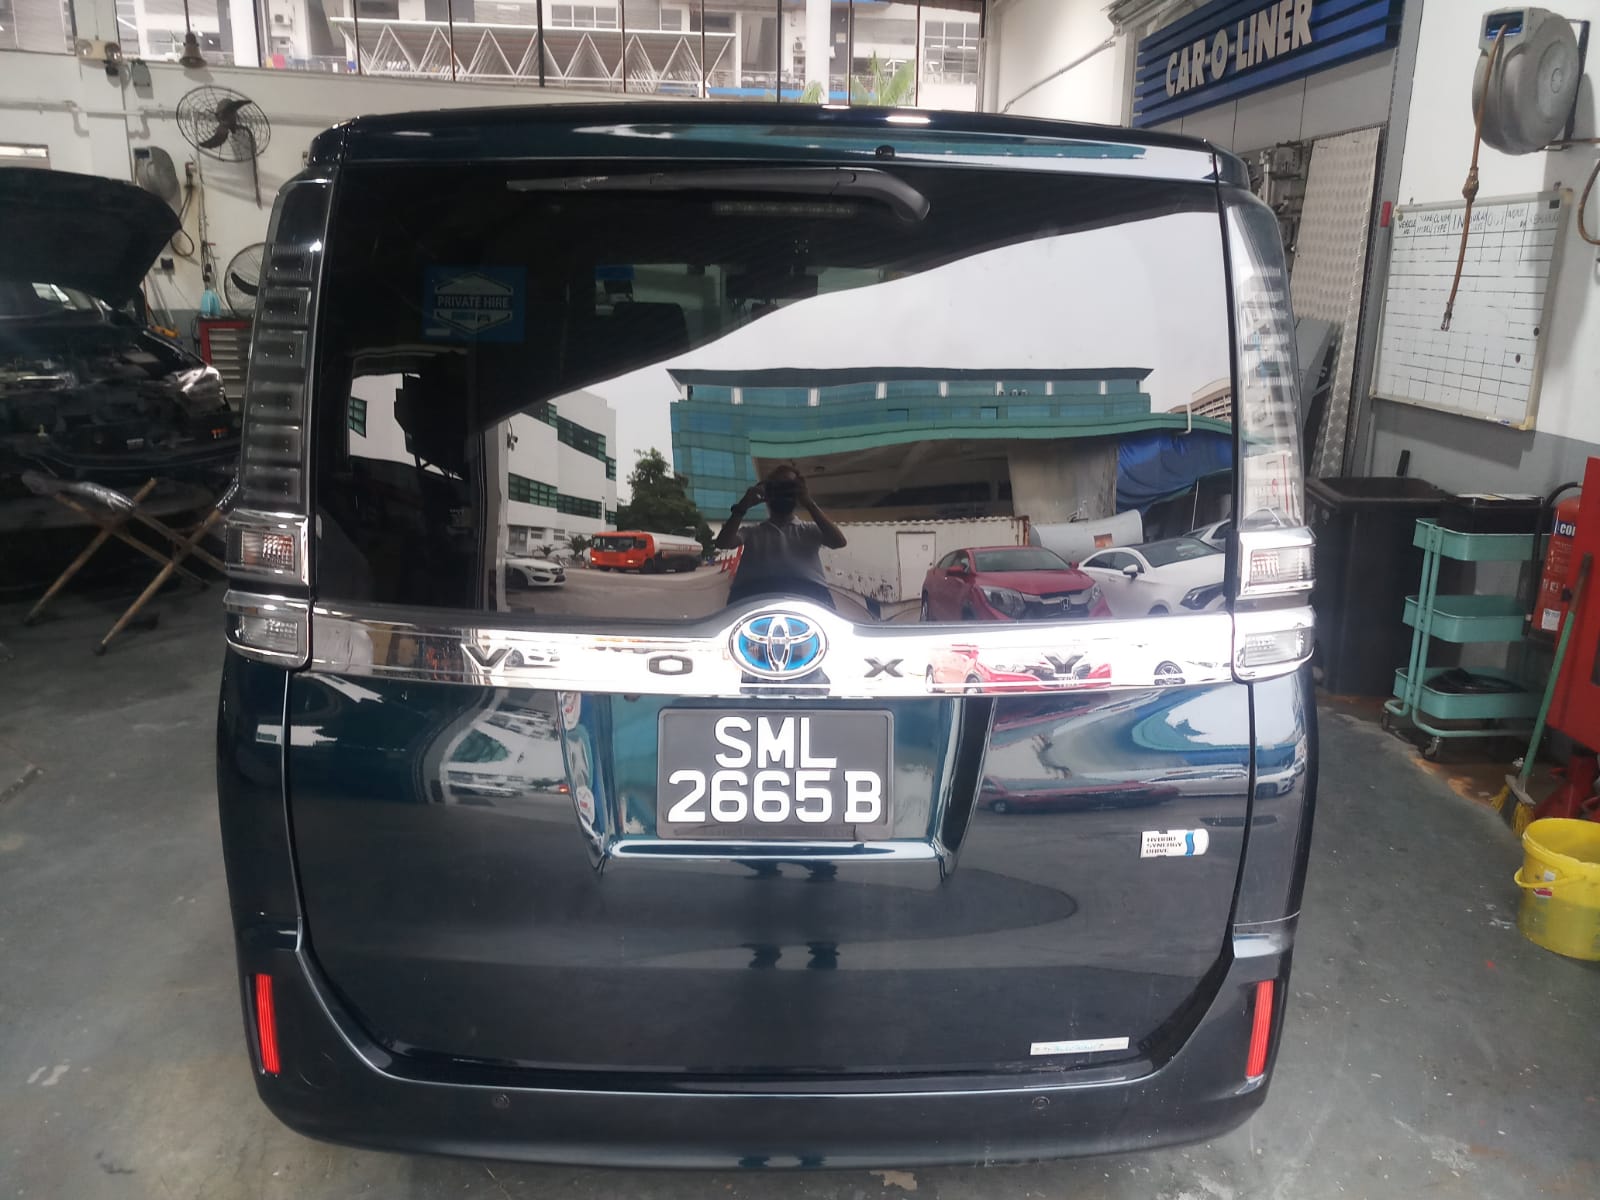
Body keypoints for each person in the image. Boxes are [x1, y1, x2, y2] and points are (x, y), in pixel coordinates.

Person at [716, 465, 847, 608]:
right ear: (767, 493)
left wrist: (809, 503)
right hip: (804, 596)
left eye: (790, 487)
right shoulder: (752, 532)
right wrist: (743, 506)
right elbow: (723, 543)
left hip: (756, 597)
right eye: (778, 487)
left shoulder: (810, 530)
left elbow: (838, 542)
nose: (783, 493)